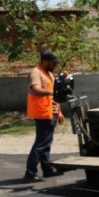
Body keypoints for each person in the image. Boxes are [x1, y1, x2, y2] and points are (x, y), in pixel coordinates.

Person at [24, 49, 65, 182]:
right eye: (53, 62)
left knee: (46, 142)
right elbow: (35, 90)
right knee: (41, 143)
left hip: (51, 111)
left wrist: (59, 111)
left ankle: (47, 169)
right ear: (46, 61)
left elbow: (56, 94)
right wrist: (50, 92)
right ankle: (30, 172)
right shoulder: (36, 72)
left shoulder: (49, 74)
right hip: (42, 112)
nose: (55, 65)